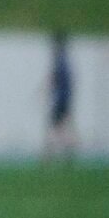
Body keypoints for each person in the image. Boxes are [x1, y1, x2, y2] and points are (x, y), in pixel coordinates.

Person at [43, 31, 78, 162]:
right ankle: (67, 149)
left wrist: (45, 90)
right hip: (64, 99)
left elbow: (55, 79)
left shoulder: (60, 60)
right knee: (60, 126)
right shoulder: (64, 60)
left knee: (55, 125)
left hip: (60, 99)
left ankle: (49, 154)